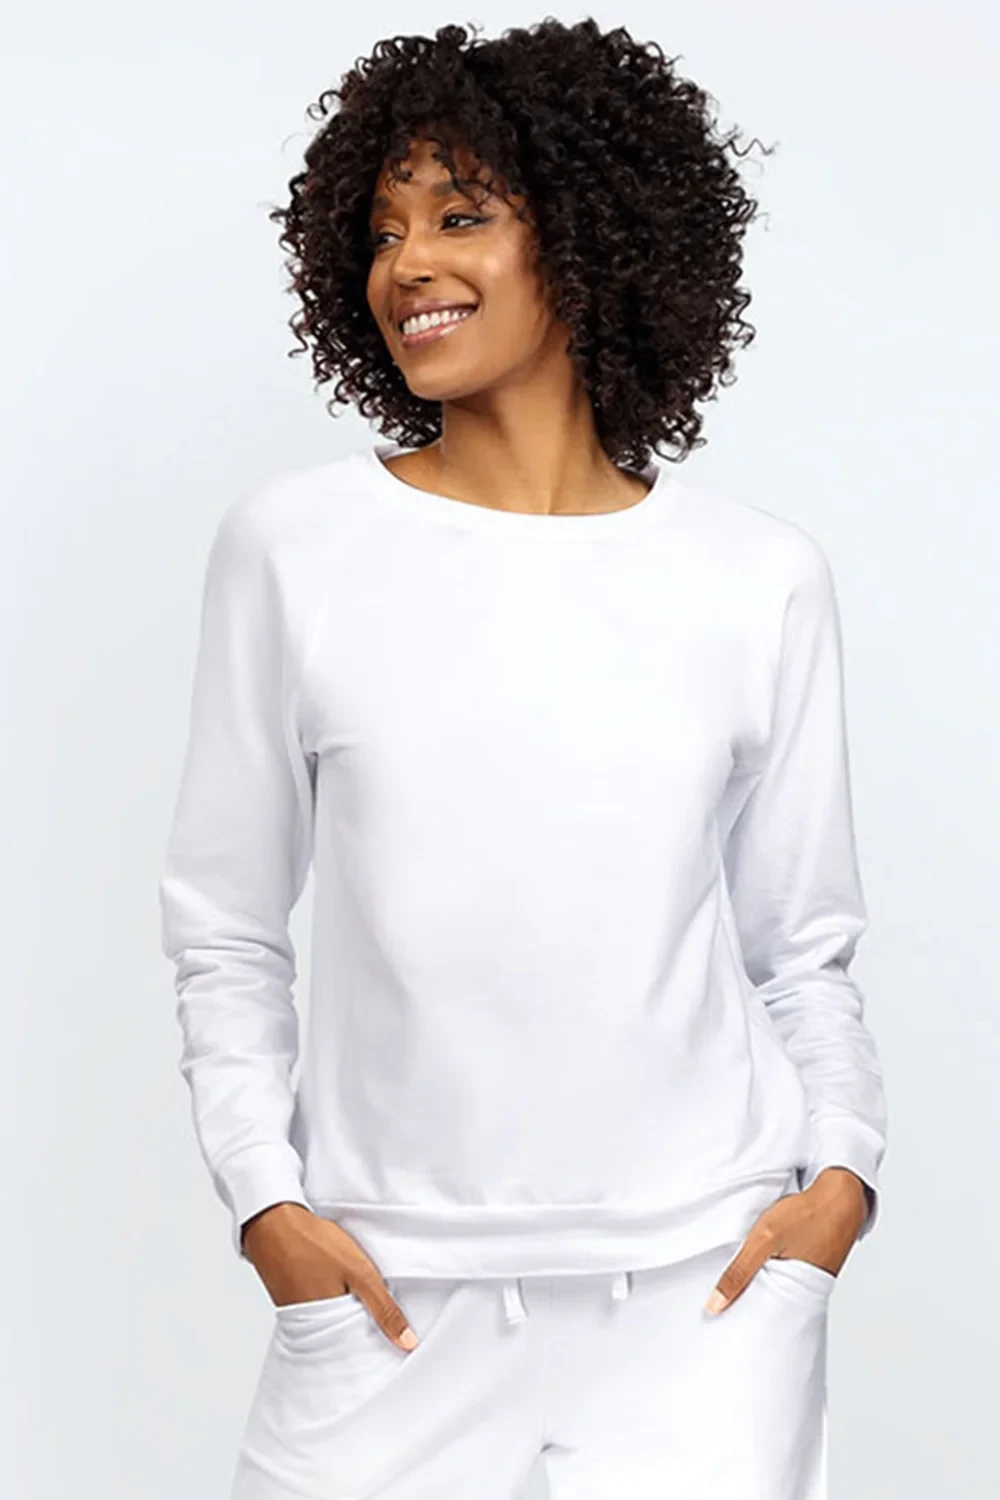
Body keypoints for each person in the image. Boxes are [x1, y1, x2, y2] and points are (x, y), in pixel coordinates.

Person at [158, 17, 888, 1499]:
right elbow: (226, 929)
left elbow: (803, 950)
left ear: (592, 238)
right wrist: (266, 1205)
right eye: (383, 232)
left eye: (460, 216)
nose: (407, 266)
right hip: (386, 1298)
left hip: (707, 1298)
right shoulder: (298, 549)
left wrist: (841, 1184)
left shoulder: (757, 578)